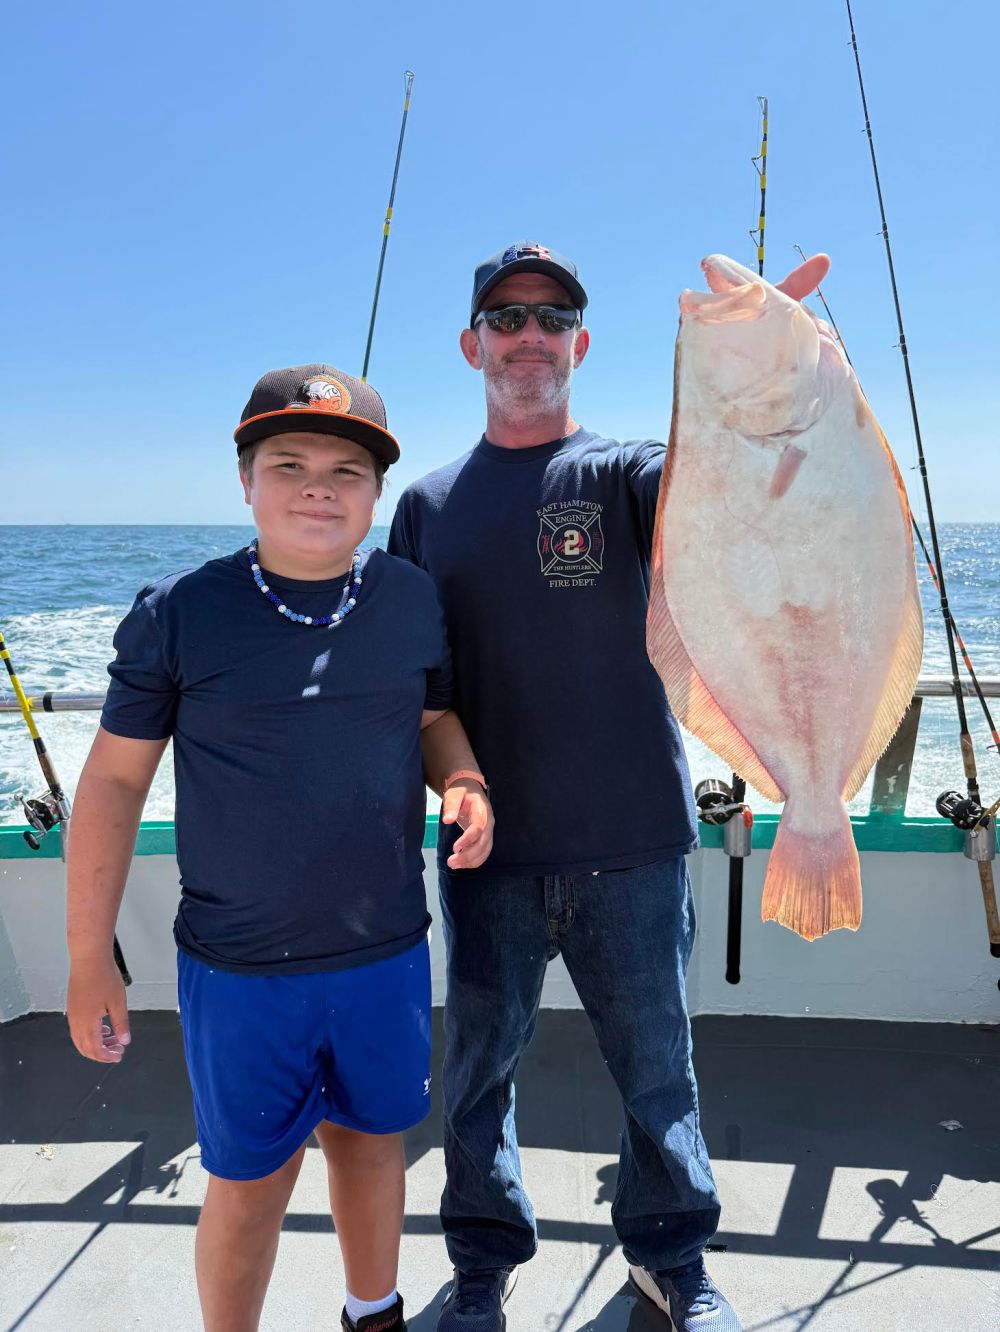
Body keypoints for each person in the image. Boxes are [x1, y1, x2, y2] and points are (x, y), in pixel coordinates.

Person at [388, 243, 829, 1331]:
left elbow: (728, 485)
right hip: (486, 855)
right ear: (471, 344)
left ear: (579, 345)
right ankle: (482, 1264)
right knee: (478, 1078)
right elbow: (418, 687)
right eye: (506, 316)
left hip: (632, 838)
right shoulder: (424, 504)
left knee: (656, 1073)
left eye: (552, 317)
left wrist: (770, 366)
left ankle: (669, 1261)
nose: (528, 334)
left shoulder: (628, 474)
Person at [66, 364, 494, 1332]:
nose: (317, 486)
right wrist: (91, 957)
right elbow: (115, 783)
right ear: (244, 482)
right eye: (287, 462)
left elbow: (432, 717)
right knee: (250, 1182)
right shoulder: (179, 610)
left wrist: (463, 780)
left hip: (383, 951)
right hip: (241, 968)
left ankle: (371, 1311)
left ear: (377, 493)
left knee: (375, 1144)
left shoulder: (411, 599)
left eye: (347, 469)